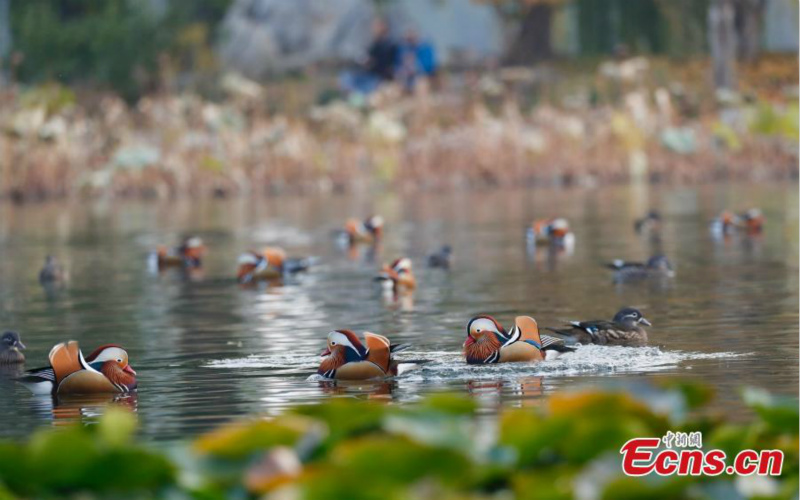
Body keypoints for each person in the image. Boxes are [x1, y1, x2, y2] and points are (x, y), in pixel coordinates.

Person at [339, 19, 398, 96]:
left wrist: (372, 63)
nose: (374, 29)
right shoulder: (373, 43)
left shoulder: (390, 45)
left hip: (377, 77)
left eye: (378, 26)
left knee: (369, 87)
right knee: (346, 76)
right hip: (366, 74)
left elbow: (385, 65)